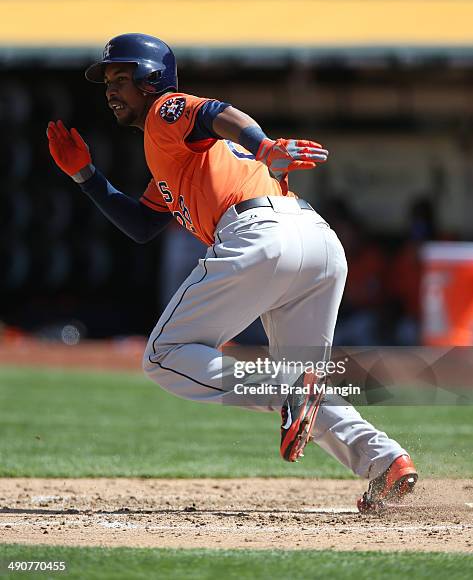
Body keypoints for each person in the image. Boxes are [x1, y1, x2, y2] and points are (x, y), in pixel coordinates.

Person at [47, 33, 417, 512]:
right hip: (317, 241)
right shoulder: (173, 158)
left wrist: (262, 146)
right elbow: (141, 225)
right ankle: (385, 462)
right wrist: (86, 176)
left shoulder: (165, 111)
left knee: (164, 355)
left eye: (123, 77)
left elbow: (216, 113)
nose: (111, 90)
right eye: (107, 82)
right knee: (302, 384)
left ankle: (287, 391)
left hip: (261, 233)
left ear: (152, 78)